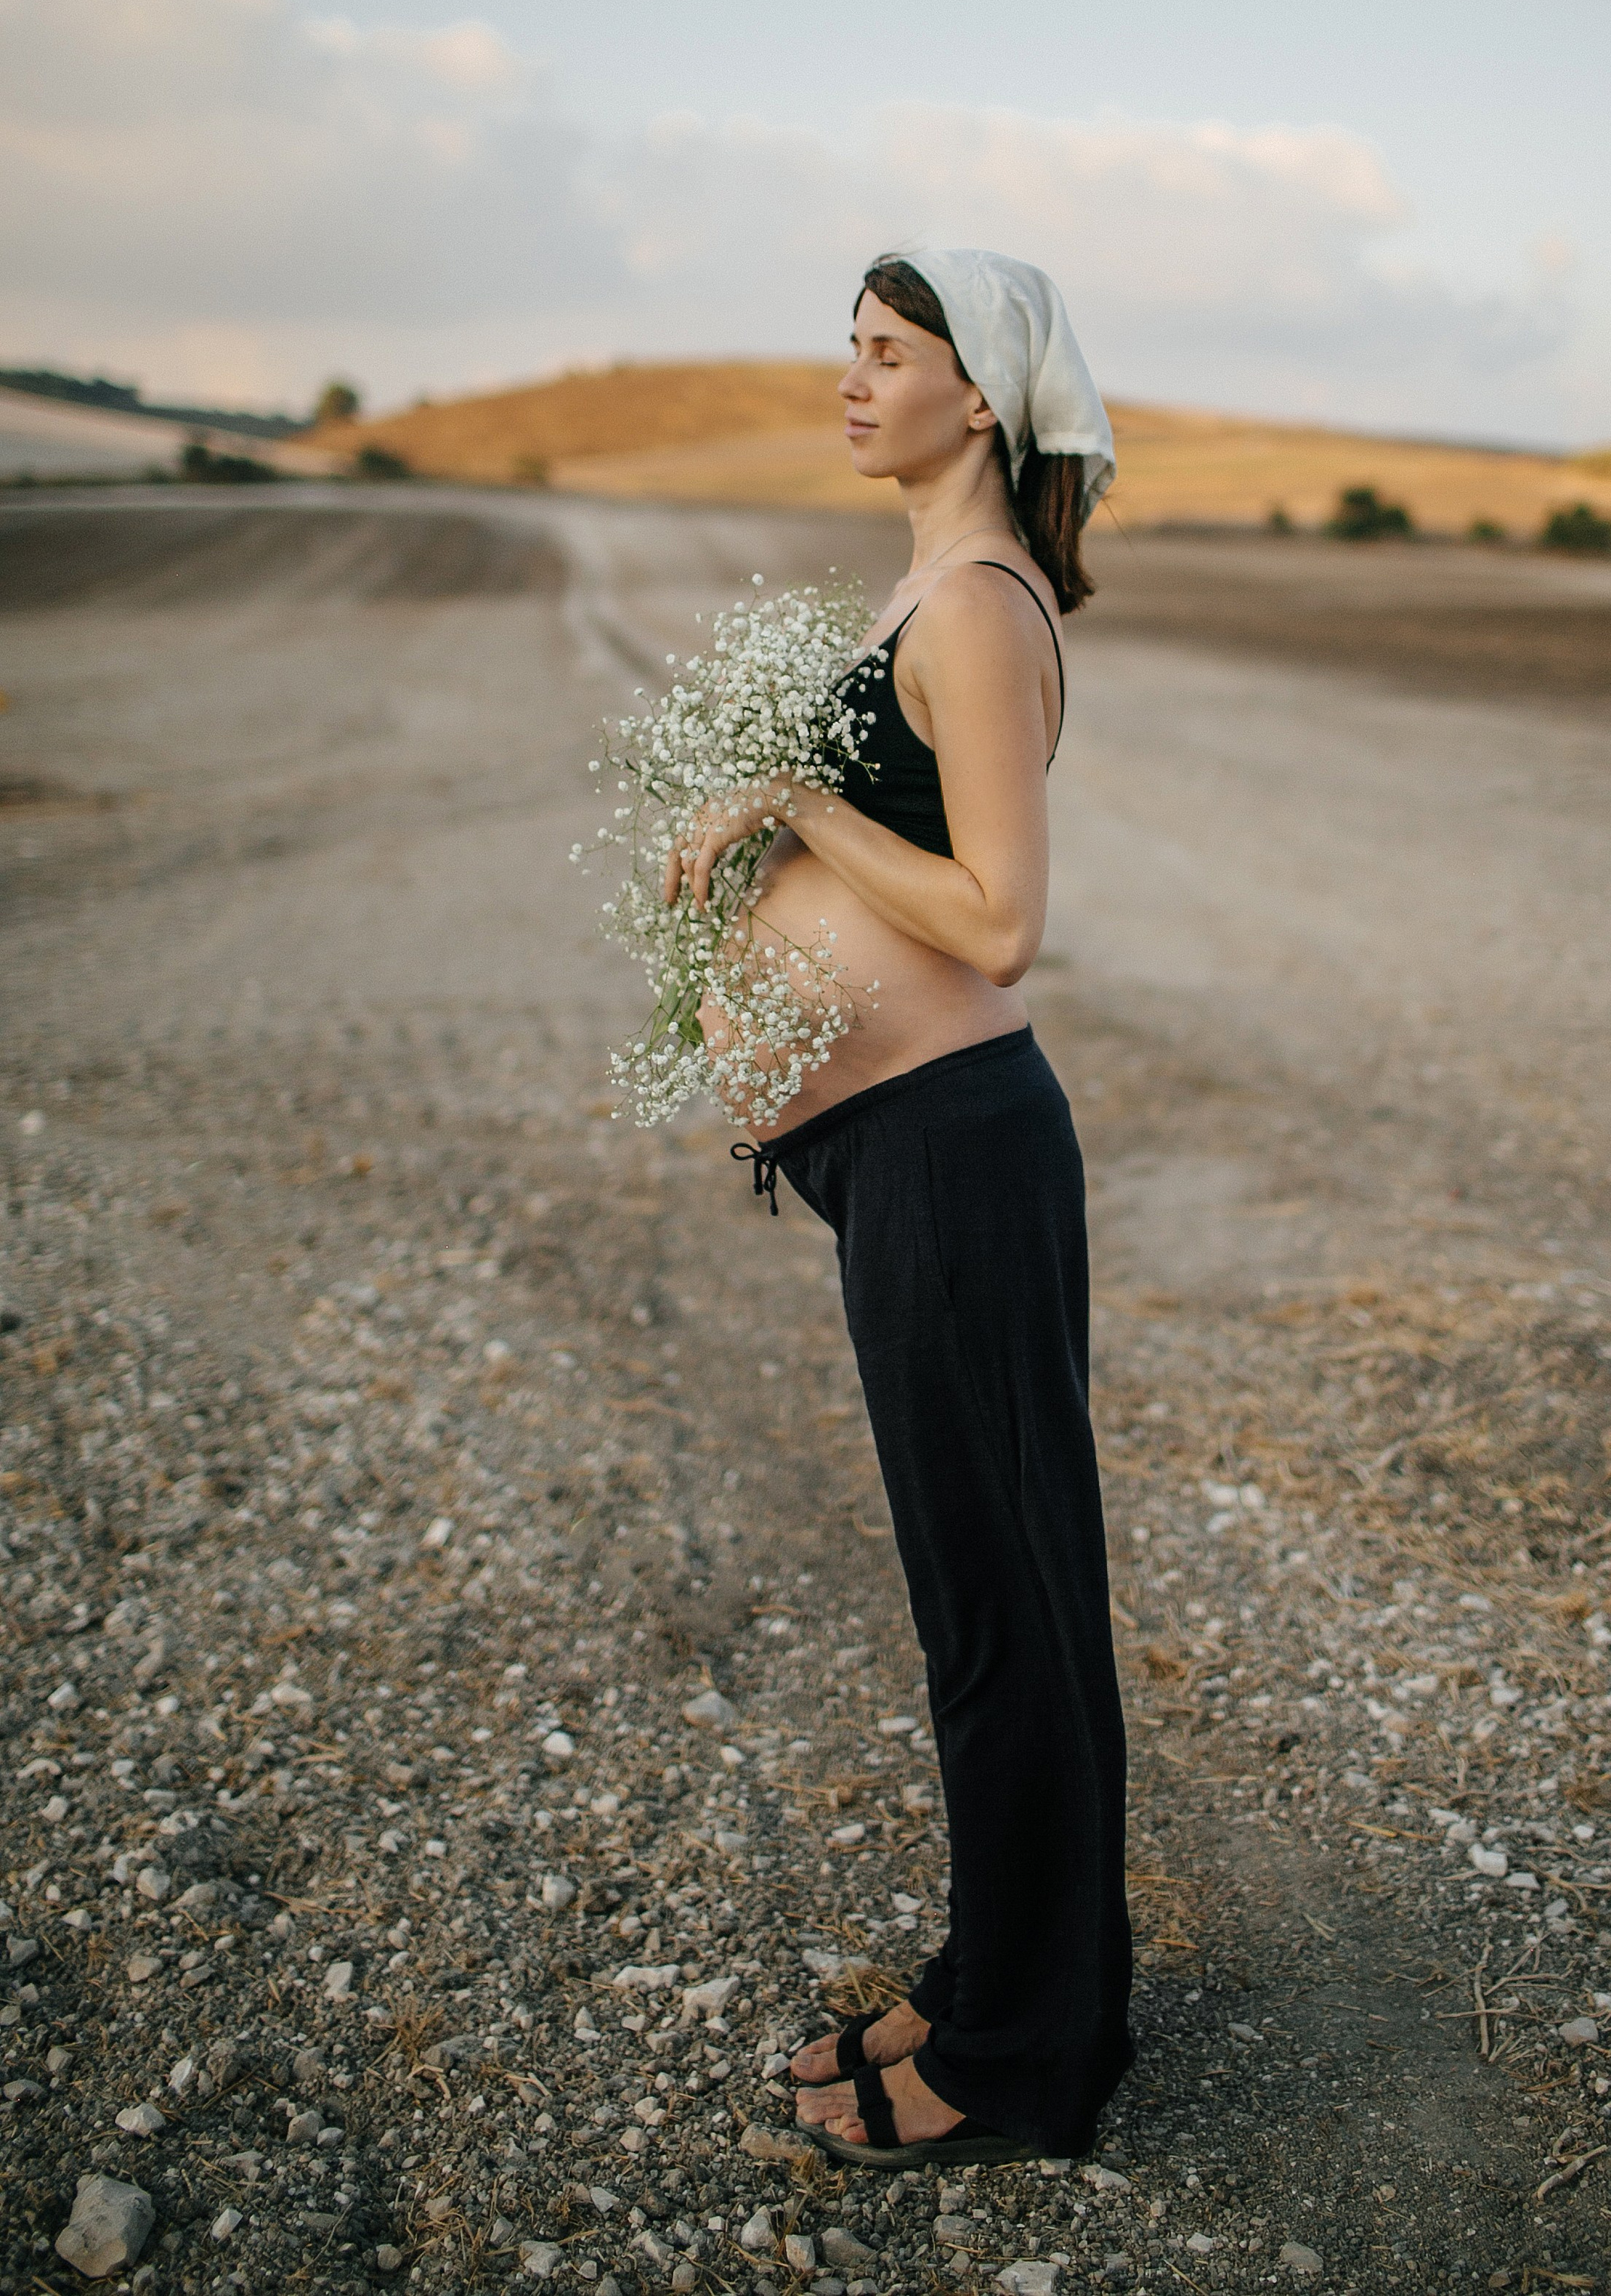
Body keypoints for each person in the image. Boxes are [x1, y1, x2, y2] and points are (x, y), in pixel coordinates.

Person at [662, 248, 1132, 2169]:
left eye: (886, 355)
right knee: (977, 1607)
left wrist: (802, 804)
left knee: (1006, 1613)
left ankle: (1027, 2064)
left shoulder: (979, 609)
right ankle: (997, 1981)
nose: (849, 382)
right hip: (909, 1150)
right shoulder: (931, 588)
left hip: (959, 1144)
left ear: (982, 398)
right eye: (845, 352)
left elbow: (1006, 923)